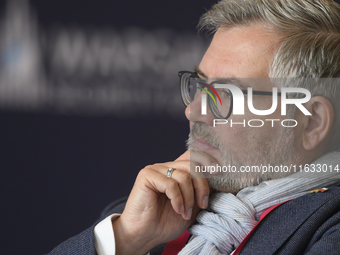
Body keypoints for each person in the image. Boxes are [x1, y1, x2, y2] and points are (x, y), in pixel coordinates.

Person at [48, 0, 340, 254]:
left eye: (226, 94)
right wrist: (126, 239)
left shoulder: (330, 230)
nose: (193, 111)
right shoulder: (149, 214)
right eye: (201, 85)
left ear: (311, 121)